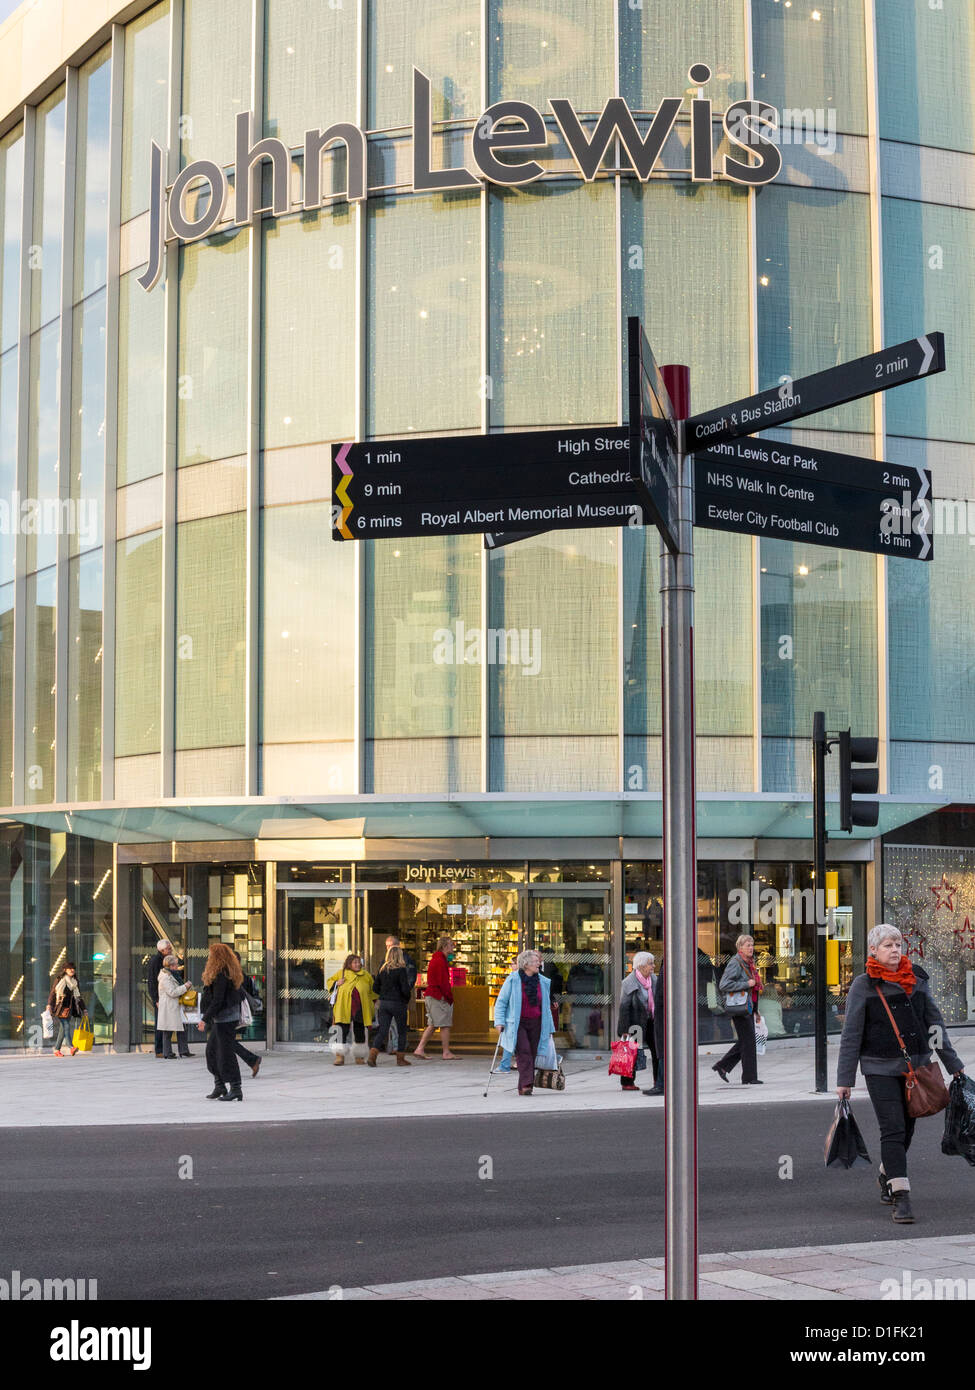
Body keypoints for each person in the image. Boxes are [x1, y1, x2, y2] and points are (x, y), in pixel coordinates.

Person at [837, 923, 965, 1224]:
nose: (895, 950)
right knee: (892, 1128)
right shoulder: (863, 985)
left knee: (907, 1130)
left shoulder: (917, 980)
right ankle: (901, 1195)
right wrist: (845, 1080)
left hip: (916, 1067)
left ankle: (887, 1174)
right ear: (873, 951)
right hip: (879, 1068)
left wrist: (953, 1064)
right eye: (887, 945)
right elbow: (851, 1035)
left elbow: (935, 1025)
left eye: (898, 944)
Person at [494, 949, 554, 1096]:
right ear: (526, 964)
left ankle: (524, 1086)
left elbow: (545, 1007)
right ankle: (527, 1083)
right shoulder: (513, 980)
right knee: (524, 1051)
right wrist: (499, 1021)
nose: (539, 964)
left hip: (537, 1022)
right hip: (518, 1023)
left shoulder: (542, 981)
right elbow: (501, 1002)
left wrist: (550, 1027)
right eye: (535, 962)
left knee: (533, 1052)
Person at [712, 934, 763, 1085]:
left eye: (752, 945)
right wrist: (746, 984)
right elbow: (724, 984)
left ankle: (723, 1066)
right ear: (740, 947)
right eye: (747, 945)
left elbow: (754, 988)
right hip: (739, 1007)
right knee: (748, 1041)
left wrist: (755, 1009)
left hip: (748, 1006)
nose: (751, 948)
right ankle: (748, 1077)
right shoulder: (736, 962)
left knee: (747, 1041)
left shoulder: (749, 963)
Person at [197, 942, 244, 1102]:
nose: (209, 957)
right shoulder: (225, 972)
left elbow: (218, 1000)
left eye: (211, 955)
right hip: (224, 1018)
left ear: (216, 957)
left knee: (226, 1054)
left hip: (225, 1019)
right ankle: (220, 1085)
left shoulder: (222, 974)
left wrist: (205, 1019)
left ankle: (235, 1088)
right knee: (212, 1052)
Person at [617, 952, 657, 1095]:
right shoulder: (629, 982)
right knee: (631, 1052)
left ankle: (658, 1080)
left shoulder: (654, 979)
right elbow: (624, 1007)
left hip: (651, 1020)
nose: (653, 966)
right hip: (635, 1020)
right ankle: (627, 1082)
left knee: (657, 1050)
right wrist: (624, 1029)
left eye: (653, 963)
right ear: (640, 966)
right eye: (650, 963)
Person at [325, 954, 375, 1065]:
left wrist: (372, 1003)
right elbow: (329, 981)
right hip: (343, 1008)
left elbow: (374, 990)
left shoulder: (366, 975)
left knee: (360, 1032)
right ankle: (339, 1056)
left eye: (359, 962)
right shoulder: (341, 973)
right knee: (342, 1031)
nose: (357, 964)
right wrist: (337, 983)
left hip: (360, 1008)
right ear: (349, 964)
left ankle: (359, 1056)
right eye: (355, 962)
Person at [413, 935, 458, 1060]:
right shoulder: (440, 961)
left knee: (433, 1024)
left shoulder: (437, 959)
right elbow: (443, 982)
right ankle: (446, 1052)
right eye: (451, 945)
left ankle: (420, 1048)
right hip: (438, 996)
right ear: (444, 946)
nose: (453, 947)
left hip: (433, 995)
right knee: (444, 1024)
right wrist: (449, 997)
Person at [369, 946, 413, 1067]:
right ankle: (400, 1059)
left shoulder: (382, 970)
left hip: (384, 1003)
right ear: (400, 956)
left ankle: (372, 1056)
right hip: (398, 1003)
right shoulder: (401, 970)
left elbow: (375, 987)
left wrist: (383, 994)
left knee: (382, 1030)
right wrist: (406, 998)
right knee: (402, 1031)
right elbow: (405, 989)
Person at [232, 949, 262, 1078]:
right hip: (234, 1013)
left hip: (232, 1013)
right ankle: (251, 1060)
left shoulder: (236, 976)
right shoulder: (242, 975)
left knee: (223, 1042)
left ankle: (251, 1060)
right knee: (224, 1043)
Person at [383, 934, 417, 1052]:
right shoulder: (386, 960)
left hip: (400, 997)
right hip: (389, 997)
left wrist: (404, 993)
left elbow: (411, 978)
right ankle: (395, 1045)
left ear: (398, 945)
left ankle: (398, 1046)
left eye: (390, 946)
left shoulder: (406, 959)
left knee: (397, 1023)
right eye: (387, 946)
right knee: (392, 1023)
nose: (388, 948)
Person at [156, 954, 192, 1059]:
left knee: (181, 1028)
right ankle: (167, 1053)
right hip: (169, 1007)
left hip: (175, 1005)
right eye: (176, 965)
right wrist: (185, 987)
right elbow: (172, 992)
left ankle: (184, 1050)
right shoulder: (165, 977)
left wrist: (184, 987)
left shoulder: (172, 974)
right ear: (170, 966)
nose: (177, 966)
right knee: (168, 1030)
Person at [47, 964, 87, 1056]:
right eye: (70, 968)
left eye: (73, 968)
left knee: (63, 1030)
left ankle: (57, 1050)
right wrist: (49, 1004)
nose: (72, 970)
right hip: (60, 1007)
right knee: (66, 1026)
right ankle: (71, 1047)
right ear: (65, 970)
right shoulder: (60, 979)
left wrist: (84, 1009)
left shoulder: (75, 981)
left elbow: (78, 996)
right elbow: (53, 992)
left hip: (70, 1009)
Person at [146, 938, 175, 1057]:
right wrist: (155, 999)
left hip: (165, 997)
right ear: (162, 950)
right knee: (161, 1023)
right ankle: (159, 1050)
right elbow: (152, 981)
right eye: (169, 949)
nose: (171, 950)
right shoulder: (156, 961)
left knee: (166, 1023)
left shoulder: (165, 960)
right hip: (160, 998)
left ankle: (164, 1049)